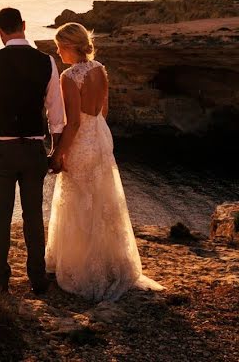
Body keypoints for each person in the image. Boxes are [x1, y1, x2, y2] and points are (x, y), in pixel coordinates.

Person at [46, 22, 163, 301]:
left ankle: (82, 267)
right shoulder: (100, 69)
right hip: (100, 137)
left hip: (81, 143)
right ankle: (111, 263)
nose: (58, 52)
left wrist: (58, 153)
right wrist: (94, 133)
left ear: (70, 46)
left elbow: (72, 123)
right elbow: (104, 110)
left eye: (60, 47)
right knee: (102, 201)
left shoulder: (69, 76)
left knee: (78, 202)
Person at [0, 7, 66, 294]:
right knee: (33, 215)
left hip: (1, 149)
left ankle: (0, 277)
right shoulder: (47, 62)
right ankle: (37, 278)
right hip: (34, 149)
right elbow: (57, 116)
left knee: (1, 215)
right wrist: (55, 152)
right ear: (24, 25)